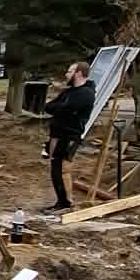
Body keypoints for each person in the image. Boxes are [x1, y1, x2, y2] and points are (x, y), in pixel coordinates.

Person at [43, 61, 95, 211]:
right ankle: (61, 201)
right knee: (55, 168)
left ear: (78, 73)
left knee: (62, 169)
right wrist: (59, 108)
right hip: (57, 134)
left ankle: (66, 202)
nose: (66, 74)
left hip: (70, 136)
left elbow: (66, 109)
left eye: (69, 71)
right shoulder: (68, 92)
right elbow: (49, 107)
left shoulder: (86, 93)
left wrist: (60, 108)